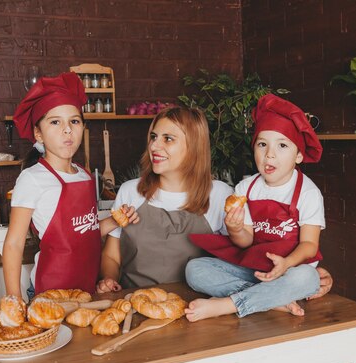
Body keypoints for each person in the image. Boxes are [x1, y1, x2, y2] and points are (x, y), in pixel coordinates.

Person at [185, 94, 326, 321]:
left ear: (299, 155)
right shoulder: (245, 188)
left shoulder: (308, 193)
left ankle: (228, 305)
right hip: (253, 269)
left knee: (309, 278)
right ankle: (269, 301)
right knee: (195, 269)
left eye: (282, 145)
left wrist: (286, 264)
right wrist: (235, 229)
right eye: (262, 144)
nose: (269, 154)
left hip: (290, 270)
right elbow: (245, 242)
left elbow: (309, 246)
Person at [4, 72, 135, 300]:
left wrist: (117, 220)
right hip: (49, 294)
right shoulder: (32, 179)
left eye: (74, 121)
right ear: (38, 134)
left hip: (87, 291)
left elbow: (86, 232)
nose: (67, 130)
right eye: (55, 122)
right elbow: (14, 244)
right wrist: (14, 299)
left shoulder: (84, 175)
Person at [97, 106, 233, 293]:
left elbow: (234, 261)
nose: (154, 146)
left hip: (199, 311)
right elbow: (112, 256)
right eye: (154, 137)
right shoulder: (131, 191)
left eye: (168, 139)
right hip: (134, 305)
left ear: (194, 145)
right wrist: (109, 279)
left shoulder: (219, 195)